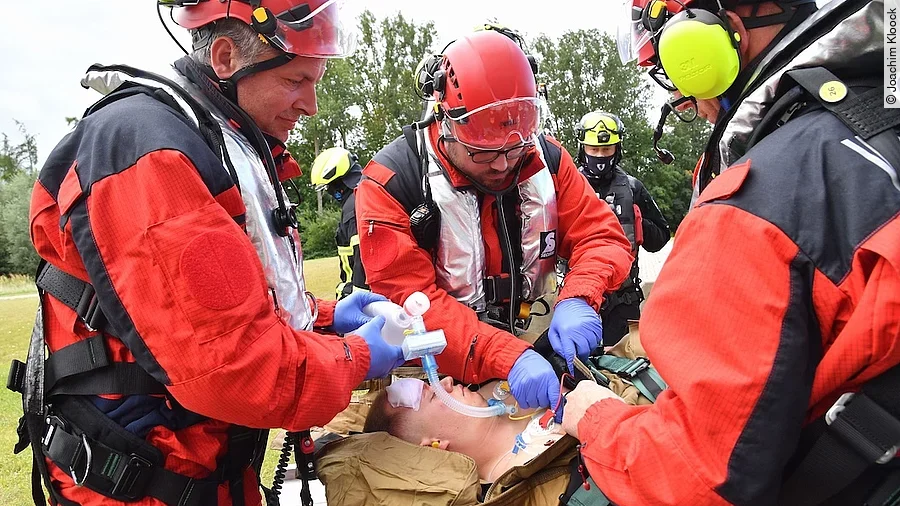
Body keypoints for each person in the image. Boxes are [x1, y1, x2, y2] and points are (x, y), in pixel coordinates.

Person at [8, 2, 407, 505]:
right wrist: (360, 354)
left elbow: (229, 307)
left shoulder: (213, 139)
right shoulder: (152, 156)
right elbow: (238, 368)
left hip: (196, 466)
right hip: (143, 481)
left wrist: (326, 319)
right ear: (224, 58)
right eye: (295, 81)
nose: (312, 105)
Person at [561, 0, 900, 504]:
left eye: (672, 71)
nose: (686, 99)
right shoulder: (874, 126)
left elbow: (694, 481)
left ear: (716, 35)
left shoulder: (760, 199)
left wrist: (593, 416)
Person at [355, 30, 634, 414]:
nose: (503, 164)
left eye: (513, 148)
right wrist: (506, 356)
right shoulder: (395, 182)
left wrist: (580, 298)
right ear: (446, 122)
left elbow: (601, 236)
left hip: (535, 345)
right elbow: (409, 304)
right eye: (483, 152)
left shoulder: (548, 161)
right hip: (438, 378)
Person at [575, 111, 670, 344]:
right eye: (593, 150)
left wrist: (639, 224)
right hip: (579, 302)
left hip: (623, 302)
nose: (600, 156)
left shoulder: (633, 188)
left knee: (625, 369)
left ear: (616, 150)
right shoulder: (569, 187)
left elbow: (661, 239)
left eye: (606, 150)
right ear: (582, 149)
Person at [310, 146, 368, 299]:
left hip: (357, 297)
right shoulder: (367, 192)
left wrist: (355, 301)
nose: (329, 193)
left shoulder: (353, 207)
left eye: (327, 187)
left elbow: (361, 262)